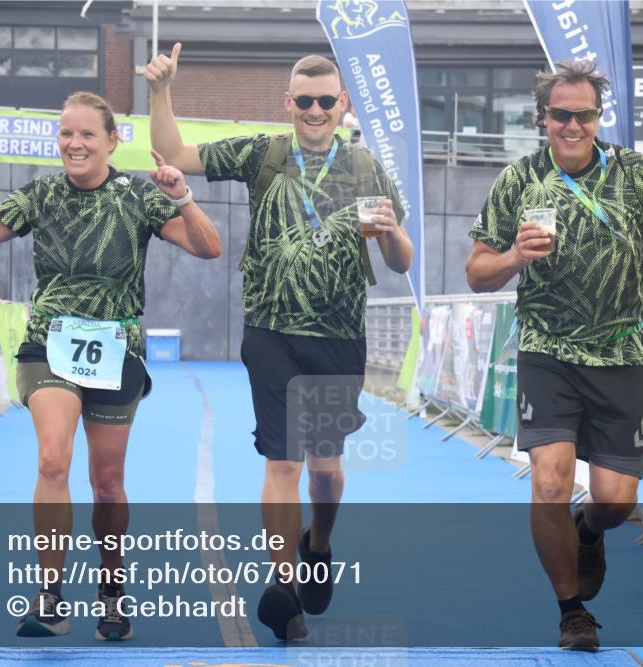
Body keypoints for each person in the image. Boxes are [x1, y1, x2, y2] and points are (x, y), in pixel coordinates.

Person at [465, 60, 643, 651]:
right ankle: (572, 612)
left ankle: (590, 530)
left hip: (619, 352)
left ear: (597, 117)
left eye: (583, 114)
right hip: (547, 350)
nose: (572, 125)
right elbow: (477, 273)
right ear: (543, 118)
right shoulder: (518, 180)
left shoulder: (636, 174)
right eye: (560, 114)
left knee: (616, 501)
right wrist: (514, 256)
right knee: (549, 483)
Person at [145, 45, 414, 641]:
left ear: (342, 104)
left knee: (326, 471)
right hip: (270, 329)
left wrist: (392, 231)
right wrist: (162, 91)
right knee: (283, 459)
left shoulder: (369, 168)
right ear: (286, 103)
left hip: (338, 334)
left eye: (326, 101)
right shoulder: (263, 153)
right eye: (304, 101)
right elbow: (178, 156)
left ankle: (319, 542)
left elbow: (400, 262)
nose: (315, 110)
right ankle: (285, 586)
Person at [0, 91, 221, 641]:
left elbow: (209, 248)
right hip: (48, 341)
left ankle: (111, 587)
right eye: (65, 134)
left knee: (107, 483)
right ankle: (50, 595)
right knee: (54, 461)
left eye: (85, 135)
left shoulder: (136, 196)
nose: (73, 144)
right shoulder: (41, 194)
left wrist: (183, 196)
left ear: (111, 141)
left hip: (116, 345)